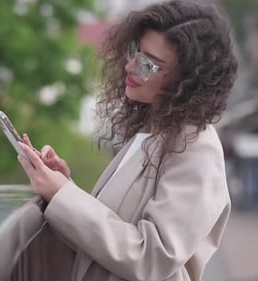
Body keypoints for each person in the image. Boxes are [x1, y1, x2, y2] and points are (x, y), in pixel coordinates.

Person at [16, 1, 238, 280]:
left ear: (187, 81)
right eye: (135, 52)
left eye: (148, 64)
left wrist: (63, 196)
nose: (130, 66)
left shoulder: (196, 147)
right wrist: (63, 186)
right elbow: (106, 240)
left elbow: (152, 258)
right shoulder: (152, 133)